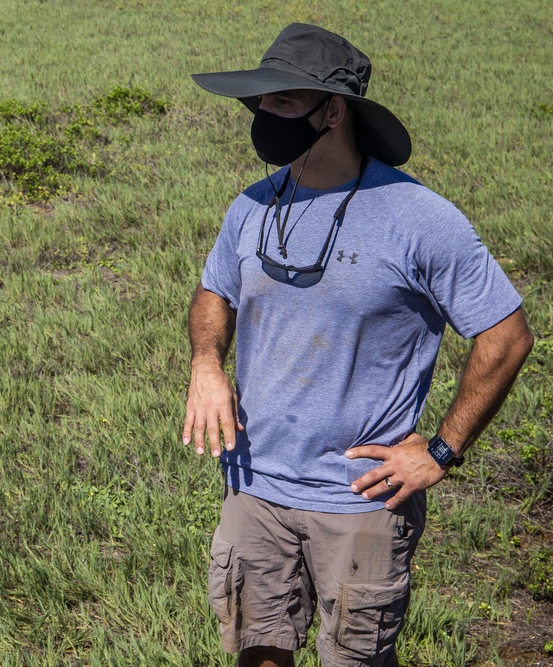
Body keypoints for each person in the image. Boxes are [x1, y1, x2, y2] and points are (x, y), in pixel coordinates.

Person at [182, 24, 533, 667]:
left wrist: (441, 449)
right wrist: (207, 363)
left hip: (359, 499)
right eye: (262, 101)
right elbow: (214, 292)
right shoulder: (253, 205)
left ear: (333, 110)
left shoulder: (418, 218)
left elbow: (507, 336)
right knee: (258, 653)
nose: (266, 116)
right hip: (253, 485)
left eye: (284, 101)